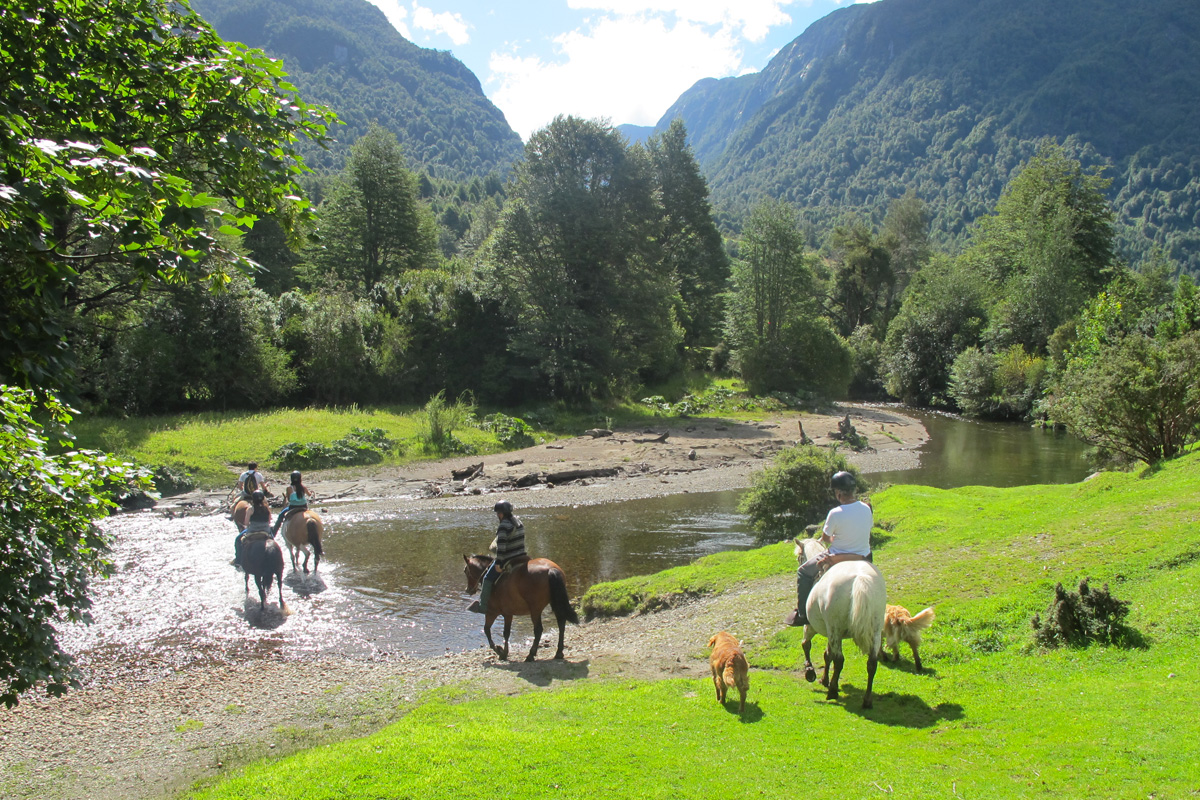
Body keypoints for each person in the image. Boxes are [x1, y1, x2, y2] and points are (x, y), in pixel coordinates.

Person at [789, 470, 873, 626]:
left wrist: (832, 538)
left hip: (838, 554)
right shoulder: (866, 508)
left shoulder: (835, 513)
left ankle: (802, 615)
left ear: (839, 493)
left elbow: (826, 539)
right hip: (864, 555)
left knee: (803, 572)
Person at [467, 500, 528, 614]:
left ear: (501, 514)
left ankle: (483, 606)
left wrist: (499, 564)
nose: (497, 516)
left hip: (510, 558)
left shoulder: (503, 526)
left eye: (497, 514)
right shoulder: (519, 522)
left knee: (487, 579)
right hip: (522, 555)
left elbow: (501, 548)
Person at [233, 490, 273, 568]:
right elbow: (269, 520)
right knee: (272, 540)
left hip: (252, 530)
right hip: (265, 530)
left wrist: (248, 525)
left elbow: (246, 522)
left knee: (238, 540)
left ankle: (238, 561)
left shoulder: (251, 509)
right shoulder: (267, 508)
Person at [270, 471, 311, 536]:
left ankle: (274, 532)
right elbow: (309, 494)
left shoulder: (289, 488)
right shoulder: (303, 487)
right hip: (304, 507)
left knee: (281, 515)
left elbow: (289, 499)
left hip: (293, 507)